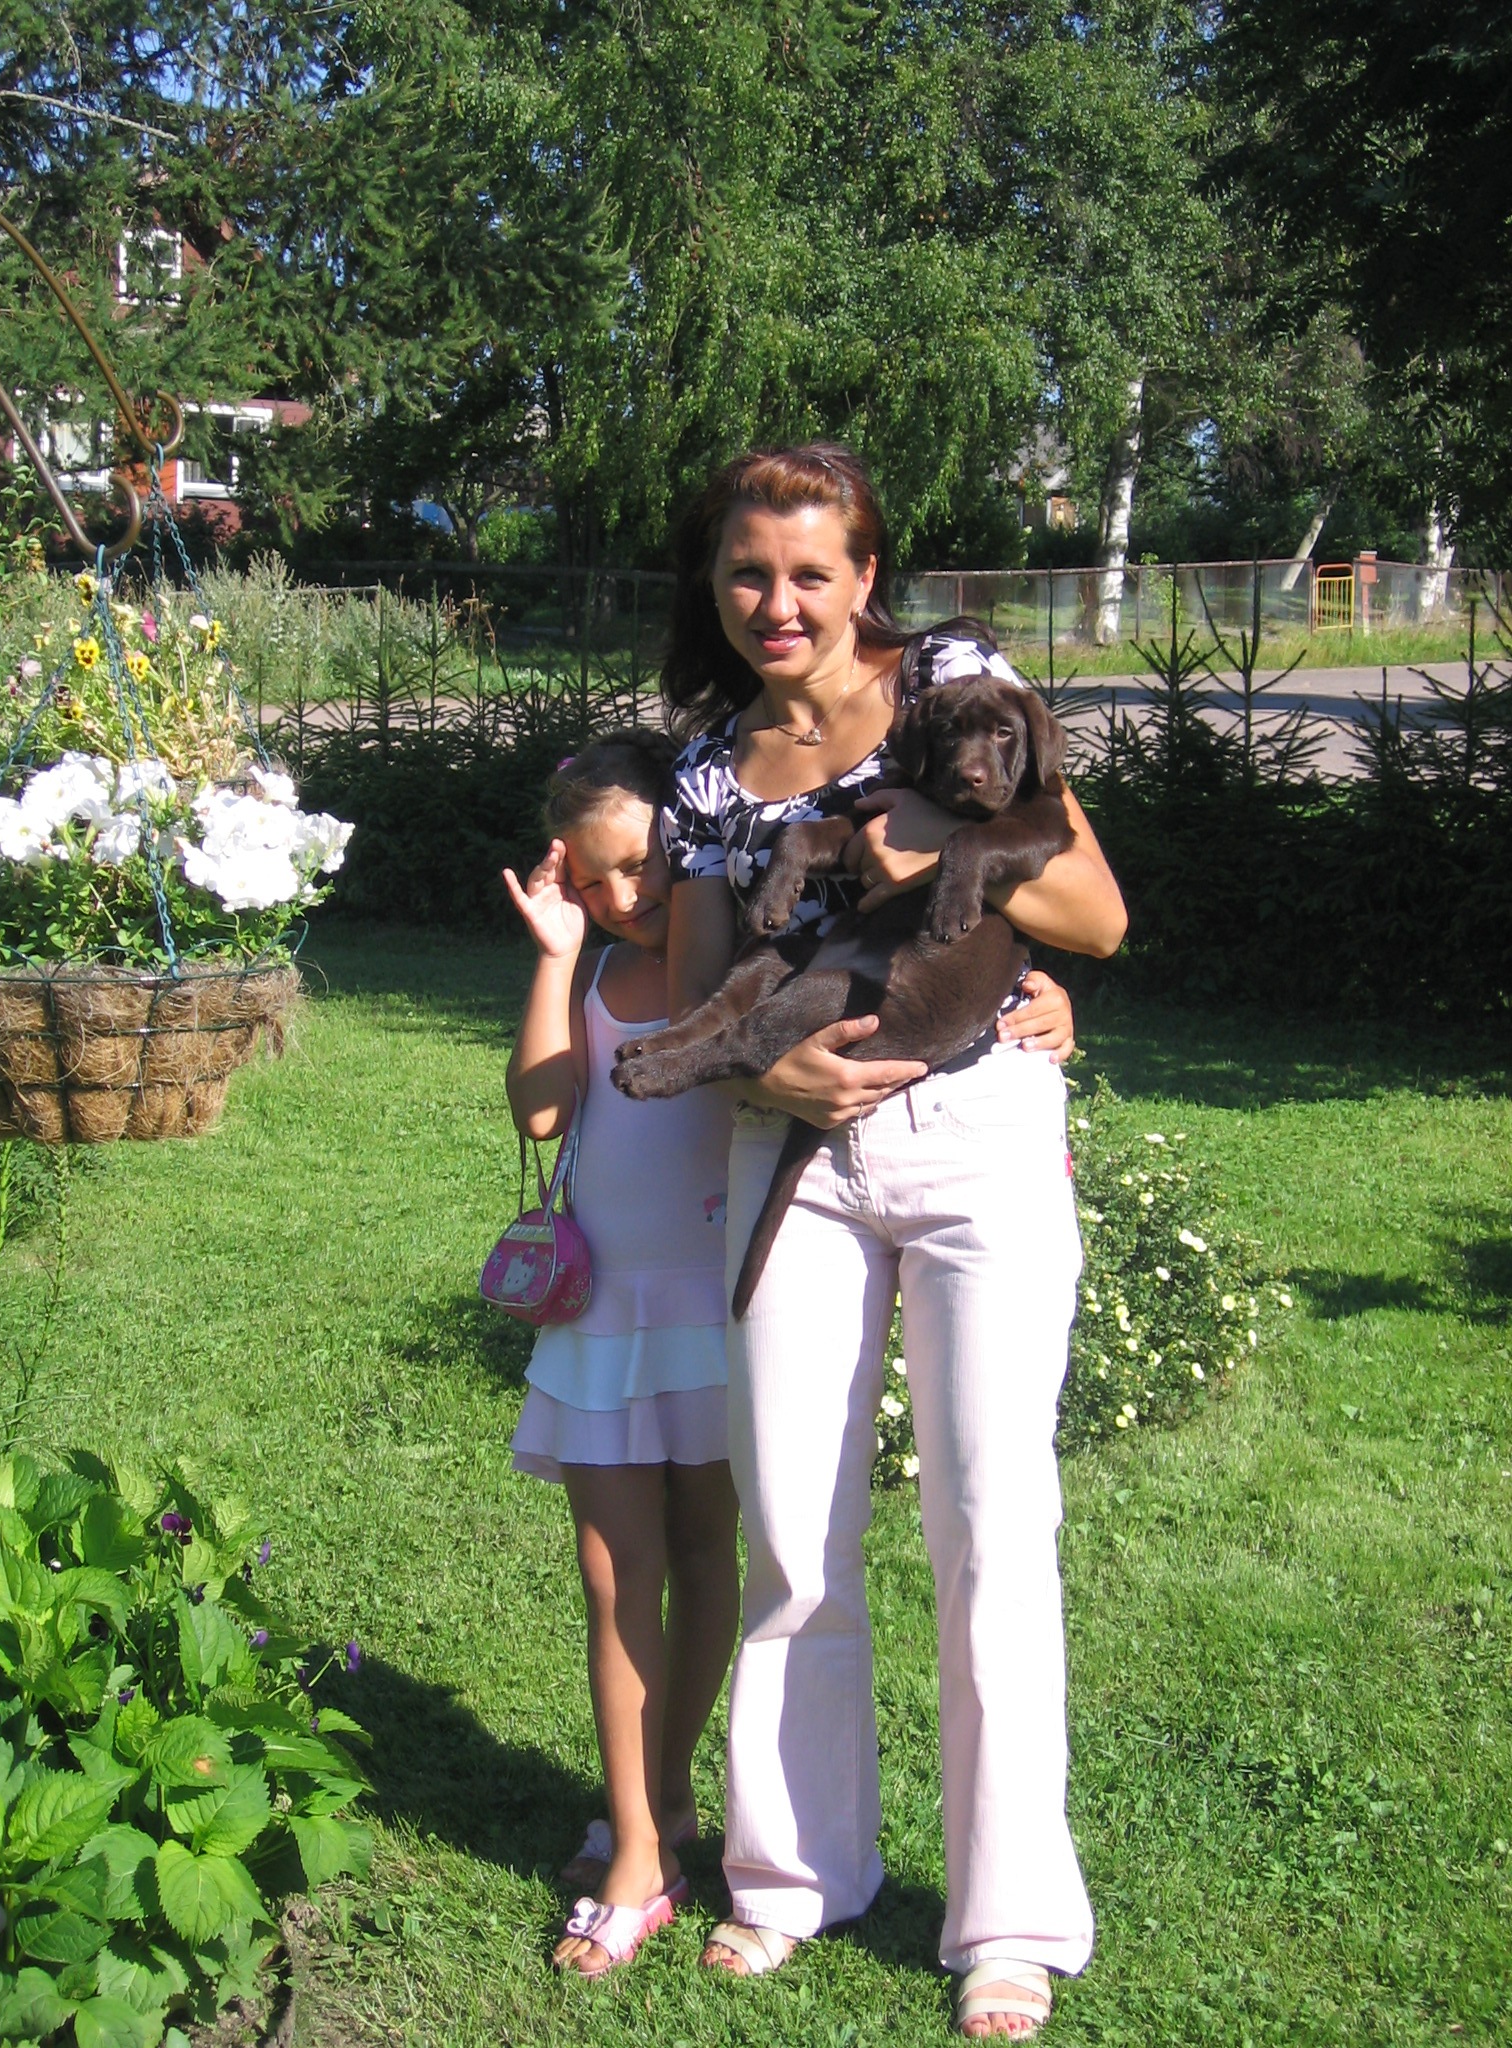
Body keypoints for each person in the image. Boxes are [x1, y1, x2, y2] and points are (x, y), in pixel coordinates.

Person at [659, 444, 1127, 2039]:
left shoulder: (953, 688)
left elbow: (1095, 914)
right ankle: (794, 1878)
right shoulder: (708, 770)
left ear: (867, 576)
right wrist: (762, 1069)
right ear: (716, 581)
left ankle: (1010, 1925)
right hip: (791, 1162)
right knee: (796, 1534)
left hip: (976, 1140)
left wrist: (932, 857)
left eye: (810, 571)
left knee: (995, 1528)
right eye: (747, 570)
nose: (776, 601)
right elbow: (696, 990)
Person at [501, 734, 741, 1978]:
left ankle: (667, 1794)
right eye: (593, 880)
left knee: (704, 1555)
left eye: (642, 865)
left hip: (718, 1307)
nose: (622, 896)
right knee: (614, 1575)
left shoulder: (740, 962)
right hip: (604, 1316)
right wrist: (556, 954)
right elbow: (542, 1110)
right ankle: (639, 1852)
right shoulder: (594, 971)